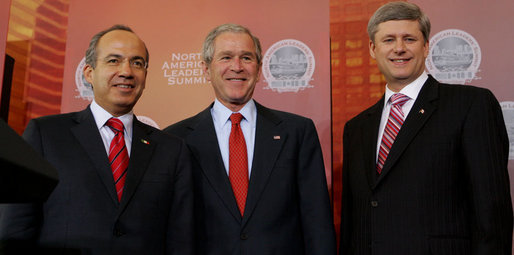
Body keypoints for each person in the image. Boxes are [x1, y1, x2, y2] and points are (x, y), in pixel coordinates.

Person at [0, 25, 194, 255]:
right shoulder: (45, 134)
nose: (127, 71)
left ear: (145, 76)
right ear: (89, 72)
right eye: (114, 60)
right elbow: (14, 232)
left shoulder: (172, 149)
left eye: (137, 63)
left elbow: (181, 242)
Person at [340, 2, 513, 255]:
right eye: (389, 40)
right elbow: (353, 220)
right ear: (373, 49)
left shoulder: (471, 105)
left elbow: (492, 212)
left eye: (409, 39)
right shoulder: (356, 128)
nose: (399, 48)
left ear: (426, 46)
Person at [165, 23, 336, 255]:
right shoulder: (176, 139)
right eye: (226, 57)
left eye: (246, 58)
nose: (237, 67)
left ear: (259, 68)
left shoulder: (297, 132)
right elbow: (172, 229)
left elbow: (317, 223)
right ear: (206, 69)